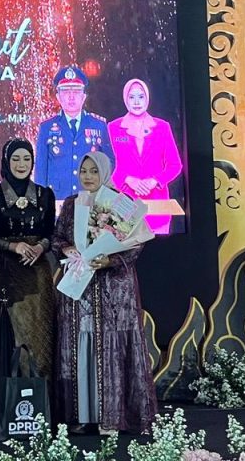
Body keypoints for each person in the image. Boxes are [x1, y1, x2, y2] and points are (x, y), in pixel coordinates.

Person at [52, 151, 157, 435]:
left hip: (113, 290)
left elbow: (136, 245)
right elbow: (58, 237)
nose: (87, 176)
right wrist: (67, 249)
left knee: (110, 347)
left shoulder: (121, 203)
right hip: (80, 287)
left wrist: (109, 260)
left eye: (94, 171)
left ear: (105, 172)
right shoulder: (72, 204)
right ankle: (81, 416)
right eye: (83, 171)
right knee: (81, 345)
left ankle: (111, 417)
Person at [0, 138, 56, 420]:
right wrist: (14, 246)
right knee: (2, 337)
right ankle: (2, 408)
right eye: (16, 159)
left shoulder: (45, 195)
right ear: (6, 161)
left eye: (26, 159)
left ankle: (40, 406)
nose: (21, 164)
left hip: (37, 274)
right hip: (4, 273)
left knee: (40, 336)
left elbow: (51, 233)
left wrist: (40, 247)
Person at [108, 78, 183, 232]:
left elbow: (175, 165)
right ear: (125, 99)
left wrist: (155, 181)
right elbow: (107, 166)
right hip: (123, 206)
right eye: (132, 97)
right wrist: (127, 179)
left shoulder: (162, 127)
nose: (136, 102)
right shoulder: (113, 128)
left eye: (141, 96)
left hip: (157, 207)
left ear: (147, 98)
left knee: (159, 247)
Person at [36, 65, 114, 205]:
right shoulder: (46, 127)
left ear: (84, 96)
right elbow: (41, 170)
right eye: (66, 91)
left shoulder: (99, 126)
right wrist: (42, 202)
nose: (71, 97)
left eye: (76, 91)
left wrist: (99, 190)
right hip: (57, 200)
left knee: (85, 220)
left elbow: (109, 163)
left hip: (88, 199)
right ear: (58, 97)